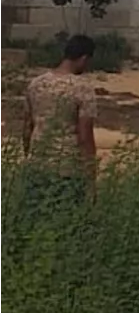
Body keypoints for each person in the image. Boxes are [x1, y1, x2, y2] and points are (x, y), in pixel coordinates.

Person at [22, 34, 98, 208]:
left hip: (37, 167)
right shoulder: (83, 89)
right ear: (84, 58)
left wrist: (30, 158)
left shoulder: (36, 84)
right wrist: (91, 179)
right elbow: (85, 137)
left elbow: (27, 128)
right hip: (68, 170)